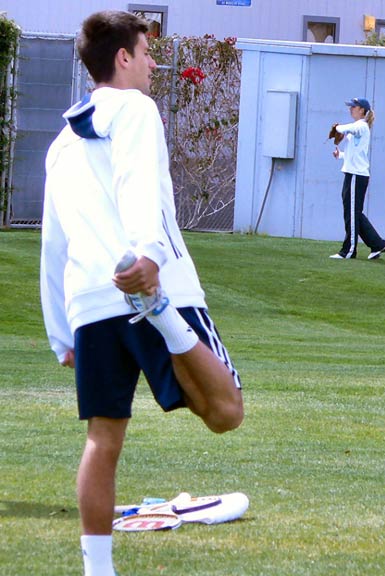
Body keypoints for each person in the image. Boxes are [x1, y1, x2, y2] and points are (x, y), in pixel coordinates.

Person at [40, 11, 243, 576]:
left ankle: (97, 571)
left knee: (102, 439)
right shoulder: (136, 108)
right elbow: (137, 181)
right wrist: (149, 260)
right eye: (147, 52)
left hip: (89, 305)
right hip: (152, 288)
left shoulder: (59, 144)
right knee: (226, 412)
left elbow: (52, 246)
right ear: (123, 57)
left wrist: (62, 331)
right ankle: (163, 317)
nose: (154, 64)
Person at [330, 97, 385, 260]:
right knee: (354, 213)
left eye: (354, 107)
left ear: (362, 110)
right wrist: (340, 155)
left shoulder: (361, 126)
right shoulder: (358, 128)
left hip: (356, 176)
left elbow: (347, 128)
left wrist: (337, 127)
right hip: (353, 173)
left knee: (352, 213)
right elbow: (355, 154)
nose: (351, 109)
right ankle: (377, 244)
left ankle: (348, 251)